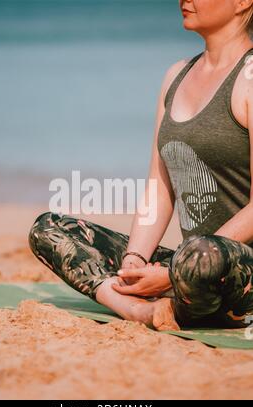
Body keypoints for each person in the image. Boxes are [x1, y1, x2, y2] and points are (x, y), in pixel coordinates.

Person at [29, 0, 253, 331]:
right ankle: (137, 309)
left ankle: (175, 295)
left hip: (227, 268)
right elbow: (159, 187)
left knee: (199, 253)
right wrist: (134, 262)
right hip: (188, 269)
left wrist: (170, 273)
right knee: (49, 228)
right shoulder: (176, 76)